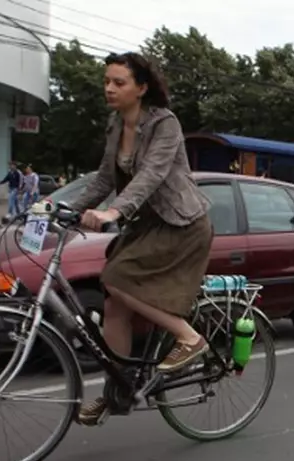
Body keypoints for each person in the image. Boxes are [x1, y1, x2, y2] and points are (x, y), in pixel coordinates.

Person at [68, 51, 215, 426]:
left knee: (116, 279)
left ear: (142, 87)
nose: (109, 89)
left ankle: (189, 338)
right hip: (146, 226)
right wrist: (63, 209)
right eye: (107, 81)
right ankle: (118, 391)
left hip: (181, 224)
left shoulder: (164, 124)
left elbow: (151, 174)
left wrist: (114, 212)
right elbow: (103, 179)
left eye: (119, 82)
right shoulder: (116, 125)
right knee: (115, 307)